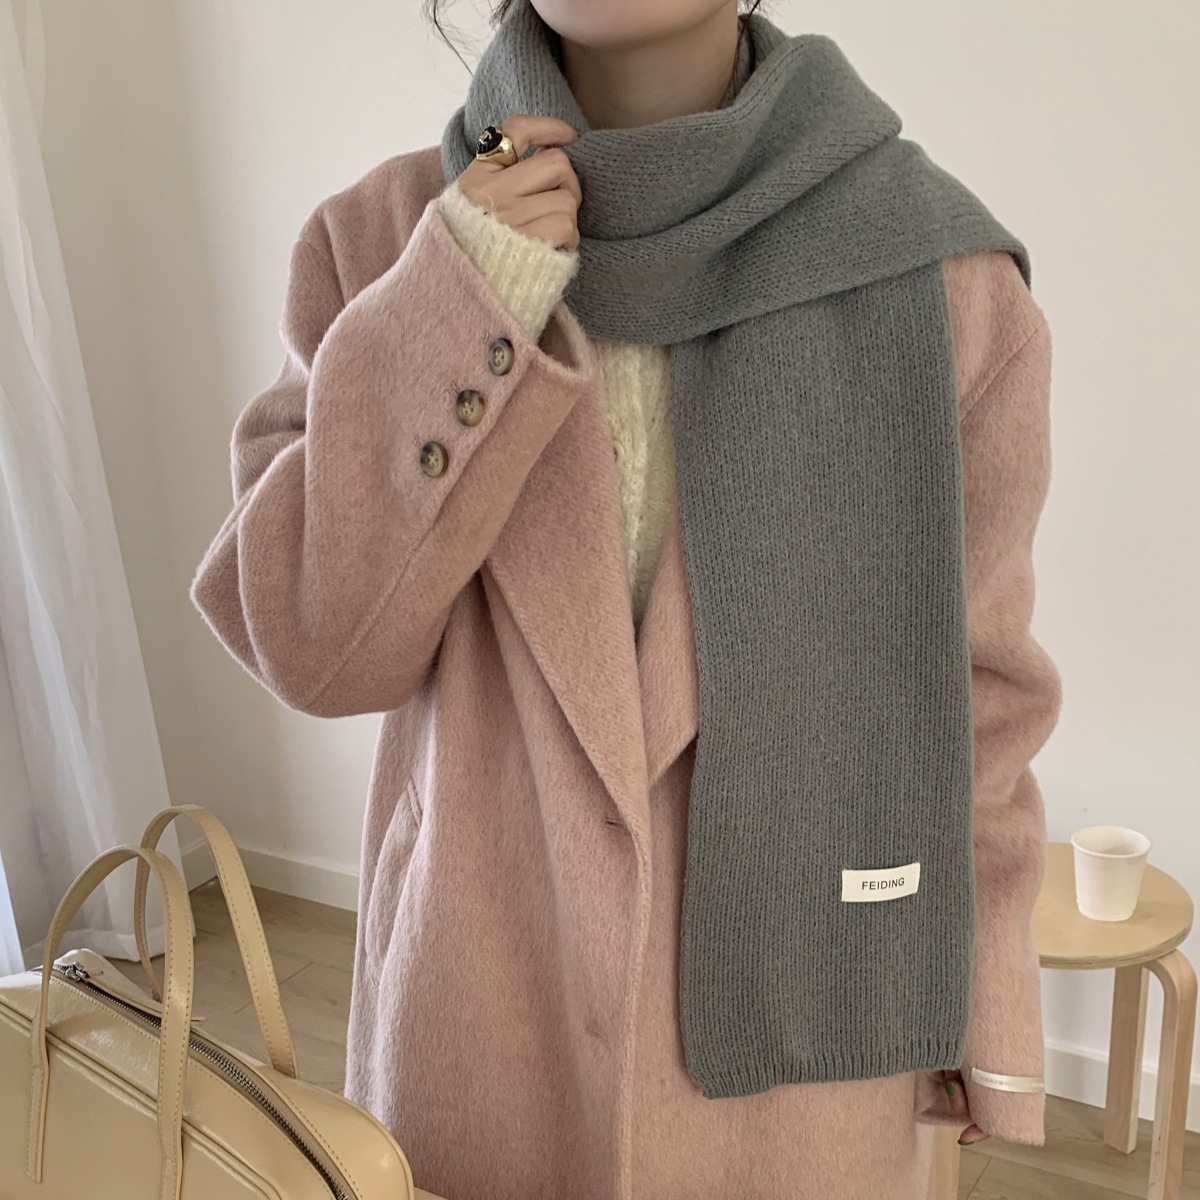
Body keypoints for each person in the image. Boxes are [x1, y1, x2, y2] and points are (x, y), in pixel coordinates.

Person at [188, 1, 1064, 1196]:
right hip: (480, 1040)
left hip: (798, 1066)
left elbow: (979, 693)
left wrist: (989, 1002)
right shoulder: (378, 244)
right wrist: (462, 298)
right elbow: (313, 650)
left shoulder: (943, 281)